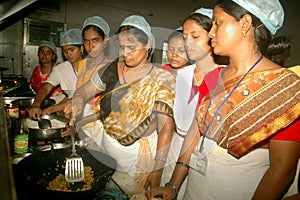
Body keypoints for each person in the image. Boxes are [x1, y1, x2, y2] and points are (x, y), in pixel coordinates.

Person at [147, 0, 300, 200]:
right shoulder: (216, 75)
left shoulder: (284, 88)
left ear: (245, 23)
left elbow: (282, 169)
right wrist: (174, 186)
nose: (211, 32)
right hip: (195, 188)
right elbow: (197, 128)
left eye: (217, 23)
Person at [65, 15, 175, 190]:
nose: (125, 54)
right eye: (122, 47)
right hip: (107, 150)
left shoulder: (160, 78)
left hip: (137, 157)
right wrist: (77, 101)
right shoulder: (111, 68)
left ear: (147, 45)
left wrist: (157, 170)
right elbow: (85, 90)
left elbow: (166, 127)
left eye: (131, 47)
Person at [160, 8, 226, 200]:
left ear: (212, 36)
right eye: (185, 36)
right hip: (174, 146)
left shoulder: (222, 76)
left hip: (201, 155)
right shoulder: (183, 74)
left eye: (195, 36)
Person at [68, 15, 111, 150]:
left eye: (95, 40)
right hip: (83, 128)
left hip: (102, 130)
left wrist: (82, 121)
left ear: (105, 40)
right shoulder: (82, 64)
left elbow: (110, 108)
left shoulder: (111, 68)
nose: (90, 46)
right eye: (86, 41)